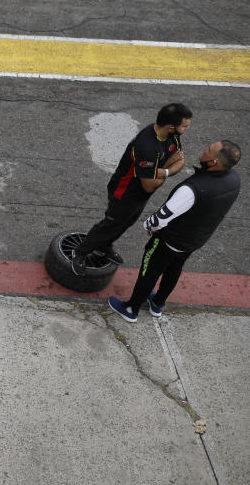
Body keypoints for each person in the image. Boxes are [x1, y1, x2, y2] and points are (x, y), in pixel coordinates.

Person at [108, 140, 241, 322]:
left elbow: (161, 217)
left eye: (209, 150)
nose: (205, 149)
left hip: (169, 240)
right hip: (194, 241)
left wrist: (148, 226)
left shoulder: (192, 190)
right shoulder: (234, 180)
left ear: (214, 162)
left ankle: (131, 308)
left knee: (149, 271)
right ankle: (158, 303)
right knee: (174, 268)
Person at [71, 103, 192, 275]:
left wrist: (162, 170)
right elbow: (150, 185)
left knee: (127, 222)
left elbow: (179, 159)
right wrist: (168, 168)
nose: (187, 129)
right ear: (171, 127)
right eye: (185, 126)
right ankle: (81, 251)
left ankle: (104, 245)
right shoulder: (147, 147)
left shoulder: (172, 136)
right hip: (124, 193)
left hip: (139, 195)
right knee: (110, 224)